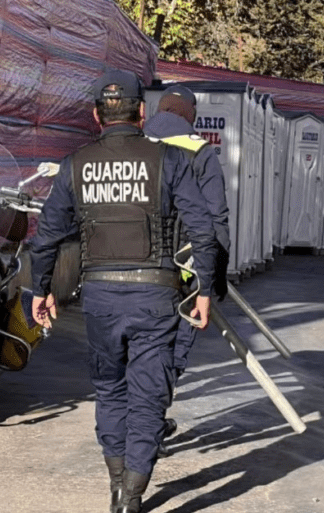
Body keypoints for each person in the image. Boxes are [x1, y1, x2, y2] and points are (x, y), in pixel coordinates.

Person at [28, 69, 218, 513]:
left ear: (97, 115)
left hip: (100, 300)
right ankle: (131, 494)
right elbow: (202, 227)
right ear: (142, 112)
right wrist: (204, 289)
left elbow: (48, 235)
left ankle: (117, 482)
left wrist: (41, 289)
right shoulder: (170, 159)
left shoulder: (76, 164)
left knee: (110, 390)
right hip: (155, 298)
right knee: (149, 395)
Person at [143, 85, 230, 395]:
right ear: (189, 115)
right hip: (180, 273)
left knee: (130, 356)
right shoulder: (199, 150)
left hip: (125, 269)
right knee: (170, 353)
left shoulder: (131, 144)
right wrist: (214, 280)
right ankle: (149, 426)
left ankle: (132, 426)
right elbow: (215, 217)